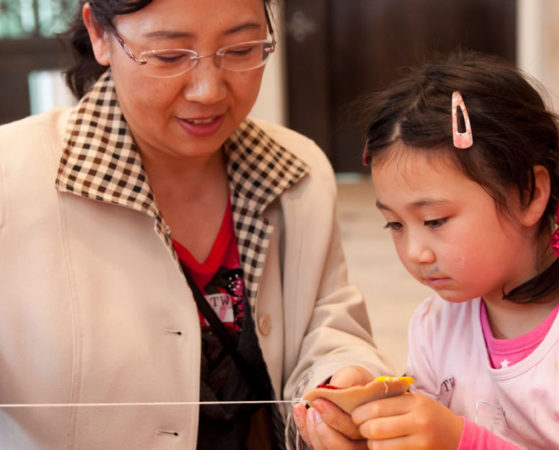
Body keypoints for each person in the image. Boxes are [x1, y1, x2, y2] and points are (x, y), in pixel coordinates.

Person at [0, 0, 393, 448]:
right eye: (169, 56)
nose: (209, 90)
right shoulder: (12, 177)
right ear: (99, 34)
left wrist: (341, 380)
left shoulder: (295, 171)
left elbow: (325, 322)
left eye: (241, 49)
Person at [353, 51, 559, 449]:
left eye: (435, 221)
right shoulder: (436, 326)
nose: (416, 252)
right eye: (395, 224)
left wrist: (461, 441)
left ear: (529, 194)